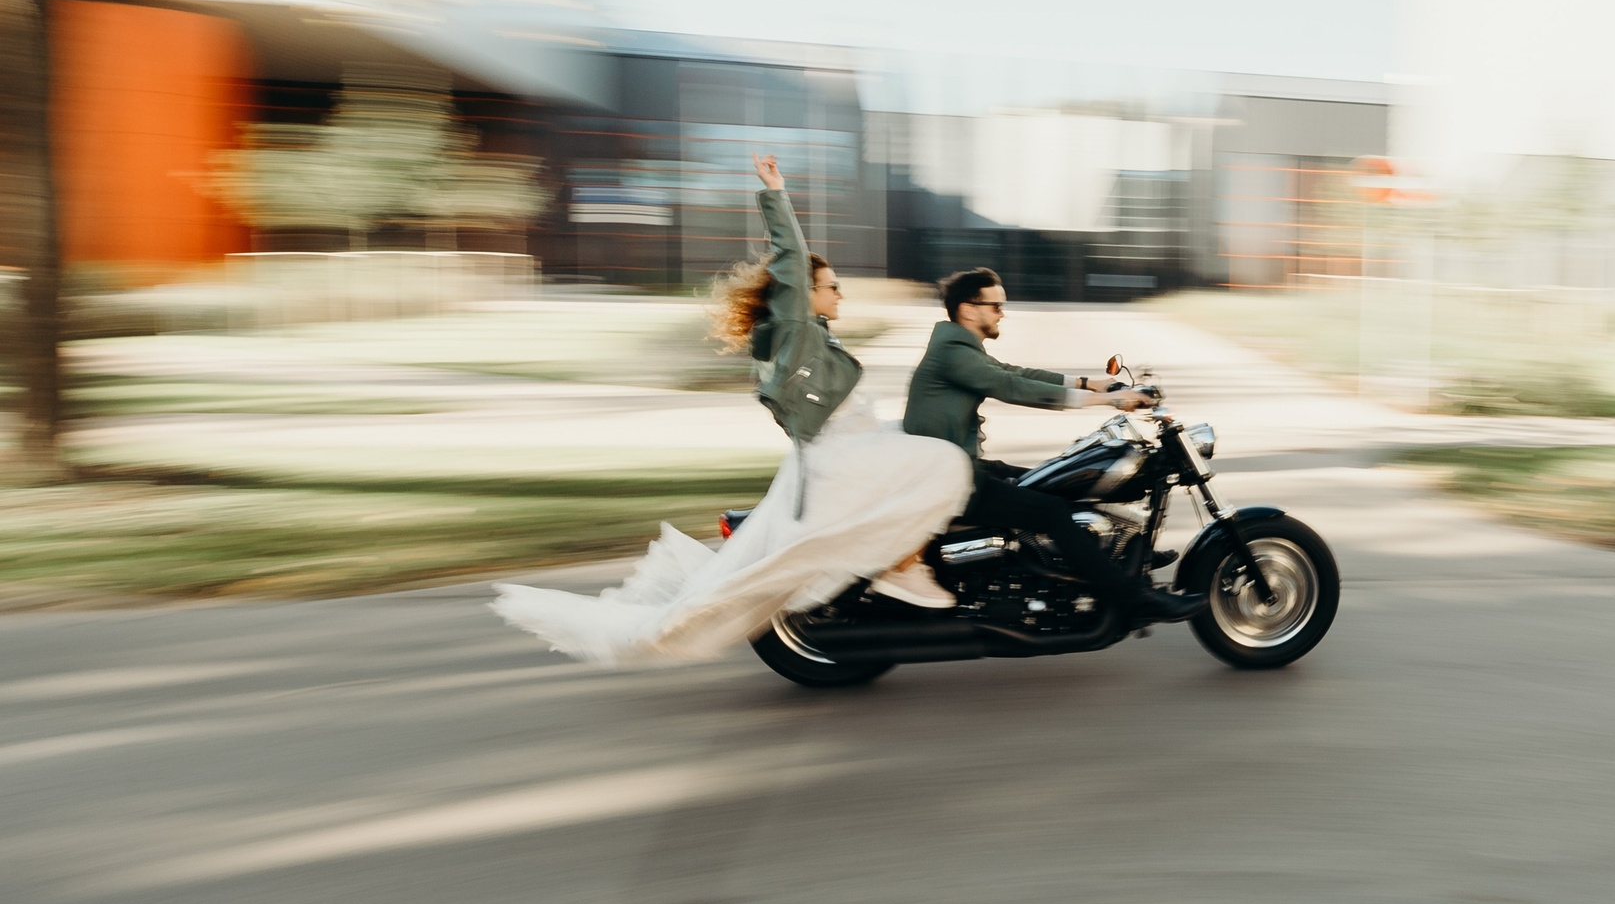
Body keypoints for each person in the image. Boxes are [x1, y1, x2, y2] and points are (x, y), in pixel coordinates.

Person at [490, 156, 974, 665]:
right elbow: (790, 258)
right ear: (804, 296)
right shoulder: (795, 334)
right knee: (944, 464)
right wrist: (775, 194)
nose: (838, 292)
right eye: (830, 285)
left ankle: (912, 559)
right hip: (841, 459)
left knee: (939, 450)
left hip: (845, 451)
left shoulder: (809, 341)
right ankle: (901, 566)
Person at [906, 266, 1205, 623]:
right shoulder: (953, 353)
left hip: (957, 467)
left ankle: (1115, 553)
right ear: (968, 310)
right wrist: (1111, 401)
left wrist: (1091, 384)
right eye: (996, 306)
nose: (1003, 313)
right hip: (951, 480)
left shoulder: (958, 346)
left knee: (1051, 480)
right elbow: (1013, 388)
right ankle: (1132, 600)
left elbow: (1016, 373)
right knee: (1052, 512)